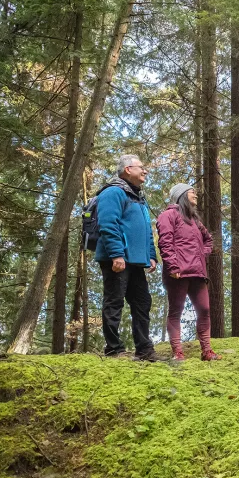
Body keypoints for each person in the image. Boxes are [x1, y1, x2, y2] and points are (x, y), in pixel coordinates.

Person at [95, 154, 161, 361]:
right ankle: (114, 349)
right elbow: (108, 224)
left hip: (136, 262)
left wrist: (151, 255)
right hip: (118, 259)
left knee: (142, 303)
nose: (145, 171)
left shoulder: (138, 197)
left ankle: (144, 349)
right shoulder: (113, 192)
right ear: (127, 170)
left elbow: (147, 231)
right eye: (141, 167)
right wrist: (116, 254)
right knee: (114, 302)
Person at [156, 183, 221, 361]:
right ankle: (178, 352)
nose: (196, 195)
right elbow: (165, 243)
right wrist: (173, 266)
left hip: (198, 273)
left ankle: (207, 351)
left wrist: (202, 254)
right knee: (176, 310)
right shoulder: (168, 215)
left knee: (205, 309)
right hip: (178, 273)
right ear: (182, 195)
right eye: (192, 192)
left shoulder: (195, 221)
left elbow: (208, 241)